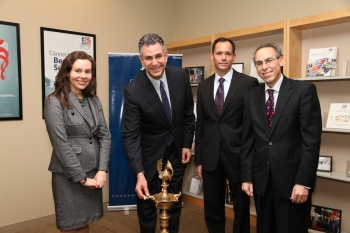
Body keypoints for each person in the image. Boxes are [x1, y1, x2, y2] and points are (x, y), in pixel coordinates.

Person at [241, 43, 322, 233]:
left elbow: (311, 142)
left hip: (293, 183)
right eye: (259, 63)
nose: (264, 67)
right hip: (262, 181)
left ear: (281, 60)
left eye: (269, 60)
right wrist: (247, 177)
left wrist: (303, 182)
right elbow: (247, 140)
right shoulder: (250, 97)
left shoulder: (303, 91)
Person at [122, 33, 195, 233]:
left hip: (177, 154)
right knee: (147, 213)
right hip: (148, 159)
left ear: (166, 54)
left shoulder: (180, 76)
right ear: (141, 60)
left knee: (174, 207)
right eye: (148, 58)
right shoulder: (133, 90)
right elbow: (130, 135)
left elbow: (188, 115)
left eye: (158, 56)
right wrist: (139, 173)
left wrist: (187, 143)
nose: (154, 62)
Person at [195, 37, 259, 233]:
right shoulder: (203, 86)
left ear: (234, 56)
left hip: (239, 154)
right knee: (212, 205)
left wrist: (252, 157)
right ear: (212, 56)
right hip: (211, 155)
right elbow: (201, 125)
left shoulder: (249, 83)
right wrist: (199, 160)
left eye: (228, 53)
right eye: (219, 53)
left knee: (241, 206)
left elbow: (254, 124)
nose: (223, 57)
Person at [44, 51, 111, 233]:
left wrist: (102, 170)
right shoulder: (54, 101)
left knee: (85, 223)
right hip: (69, 175)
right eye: (78, 71)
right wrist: (81, 178)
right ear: (67, 72)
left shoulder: (93, 100)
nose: (83, 76)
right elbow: (60, 143)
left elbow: (104, 135)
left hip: (93, 171)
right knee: (70, 225)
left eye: (88, 71)